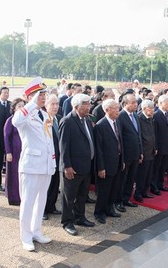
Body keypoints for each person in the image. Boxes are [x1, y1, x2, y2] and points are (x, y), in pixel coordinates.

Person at [12, 78, 55, 251]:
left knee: (40, 201)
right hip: (31, 165)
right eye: (40, 94)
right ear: (30, 96)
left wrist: (52, 162)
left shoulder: (44, 115)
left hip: (45, 165)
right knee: (28, 202)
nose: (43, 97)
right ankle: (26, 237)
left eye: (44, 94)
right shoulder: (25, 114)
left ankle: (36, 231)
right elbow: (16, 122)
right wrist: (31, 103)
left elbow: (49, 141)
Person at [60, 93, 96, 236]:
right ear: (75, 106)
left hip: (86, 165)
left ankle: (79, 217)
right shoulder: (67, 121)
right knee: (69, 197)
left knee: (82, 194)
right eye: (85, 105)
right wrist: (66, 166)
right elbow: (63, 146)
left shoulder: (86, 120)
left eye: (89, 104)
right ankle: (67, 222)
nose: (88, 107)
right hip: (72, 167)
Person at [93, 99, 124, 224]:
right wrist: (101, 167)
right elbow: (99, 149)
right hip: (106, 164)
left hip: (117, 162)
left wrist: (122, 160)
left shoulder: (117, 122)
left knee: (114, 188)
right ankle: (99, 212)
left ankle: (109, 209)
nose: (118, 111)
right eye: (115, 108)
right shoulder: (101, 125)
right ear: (107, 110)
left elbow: (120, 143)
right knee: (104, 190)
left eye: (118, 108)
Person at [116, 93, 142, 212]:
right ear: (125, 104)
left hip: (136, 154)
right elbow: (119, 138)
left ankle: (126, 198)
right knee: (123, 179)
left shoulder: (135, 115)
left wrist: (141, 151)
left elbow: (138, 135)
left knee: (131, 178)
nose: (136, 104)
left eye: (136, 102)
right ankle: (119, 201)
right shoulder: (120, 117)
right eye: (133, 102)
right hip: (126, 155)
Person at [44, 94, 63, 219]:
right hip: (47, 159)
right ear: (46, 105)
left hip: (58, 158)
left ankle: (52, 206)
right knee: (46, 186)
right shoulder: (43, 120)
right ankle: (43, 209)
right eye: (53, 104)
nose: (56, 107)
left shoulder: (60, 119)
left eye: (57, 104)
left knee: (55, 184)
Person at [3, 98, 25, 206]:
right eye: (19, 106)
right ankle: (14, 197)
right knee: (14, 174)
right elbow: (6, 137)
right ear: (14, 108)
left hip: (23, 150)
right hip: (14, 150)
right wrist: (8, 152)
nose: (21, 108)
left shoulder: (25, 119)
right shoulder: (10, 120)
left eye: (23, 105)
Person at [134, 99, 156, 202]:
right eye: (150, 108)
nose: (152, 110)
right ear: (144, 109)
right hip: (144, 151)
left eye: (153, 108)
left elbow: (153, 134)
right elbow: (139, 137)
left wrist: (155, 147)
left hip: (151, 150)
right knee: (142, 174)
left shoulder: (151, 118)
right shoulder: (139, 118)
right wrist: (141, 152)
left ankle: (145, 191)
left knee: (149, 173)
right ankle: (138, 193)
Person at [152, 95, 168, 193]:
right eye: (167, 102)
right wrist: (155, 147)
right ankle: (154, 186)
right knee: (156, 168)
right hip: (159, 146)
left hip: (167, 145)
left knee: (163, 167)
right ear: (161, 103)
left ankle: (160, 184)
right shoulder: (156, 115)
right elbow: (154, 134)